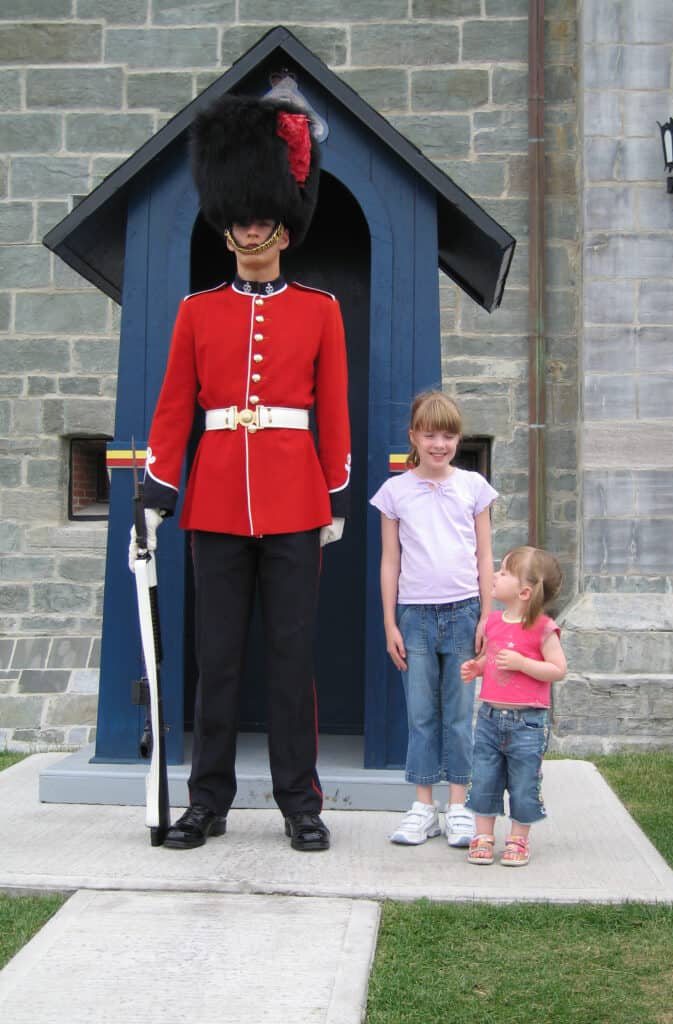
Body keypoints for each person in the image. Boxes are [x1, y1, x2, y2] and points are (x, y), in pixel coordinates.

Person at [128, 94, 351, 853]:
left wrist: (335, 492)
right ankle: (207, 802)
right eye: (243, 217)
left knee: (292, 664)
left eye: (264, 216)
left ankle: (300, 803)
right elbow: (172, 409)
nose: (253, 227)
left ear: (283, 223)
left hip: (294, 504)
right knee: (216, 664)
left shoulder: (321, 310)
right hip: (216, 505)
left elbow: (335, 411)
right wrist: (159, 486)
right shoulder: (197, 311)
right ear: (227, 223)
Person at [370, 391, 497, 847]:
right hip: (415, 618)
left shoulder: (473, 487)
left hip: (464, 614)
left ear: (458, 439)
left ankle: (458, 805)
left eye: (448, 435)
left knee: (459, 714)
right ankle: (423, 805)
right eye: (430, 435)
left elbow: (485, 556)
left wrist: (487, 615)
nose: (439, 444)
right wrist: (390, 623)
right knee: (421, 714)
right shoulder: (394, 492)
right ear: (414, 437)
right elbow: (390, 561)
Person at [460, 546, 567, 867]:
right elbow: (492, 657)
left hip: (528, 723)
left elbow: (558, 669)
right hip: (491, 718)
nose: (495, 575)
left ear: (524, 591)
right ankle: (483, 835)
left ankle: (518, 839)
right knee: (484, 778)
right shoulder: (493, 623)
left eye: (504, 572)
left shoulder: (543, 628)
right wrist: (479, 667)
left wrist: (523, 663)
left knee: (523, 783)